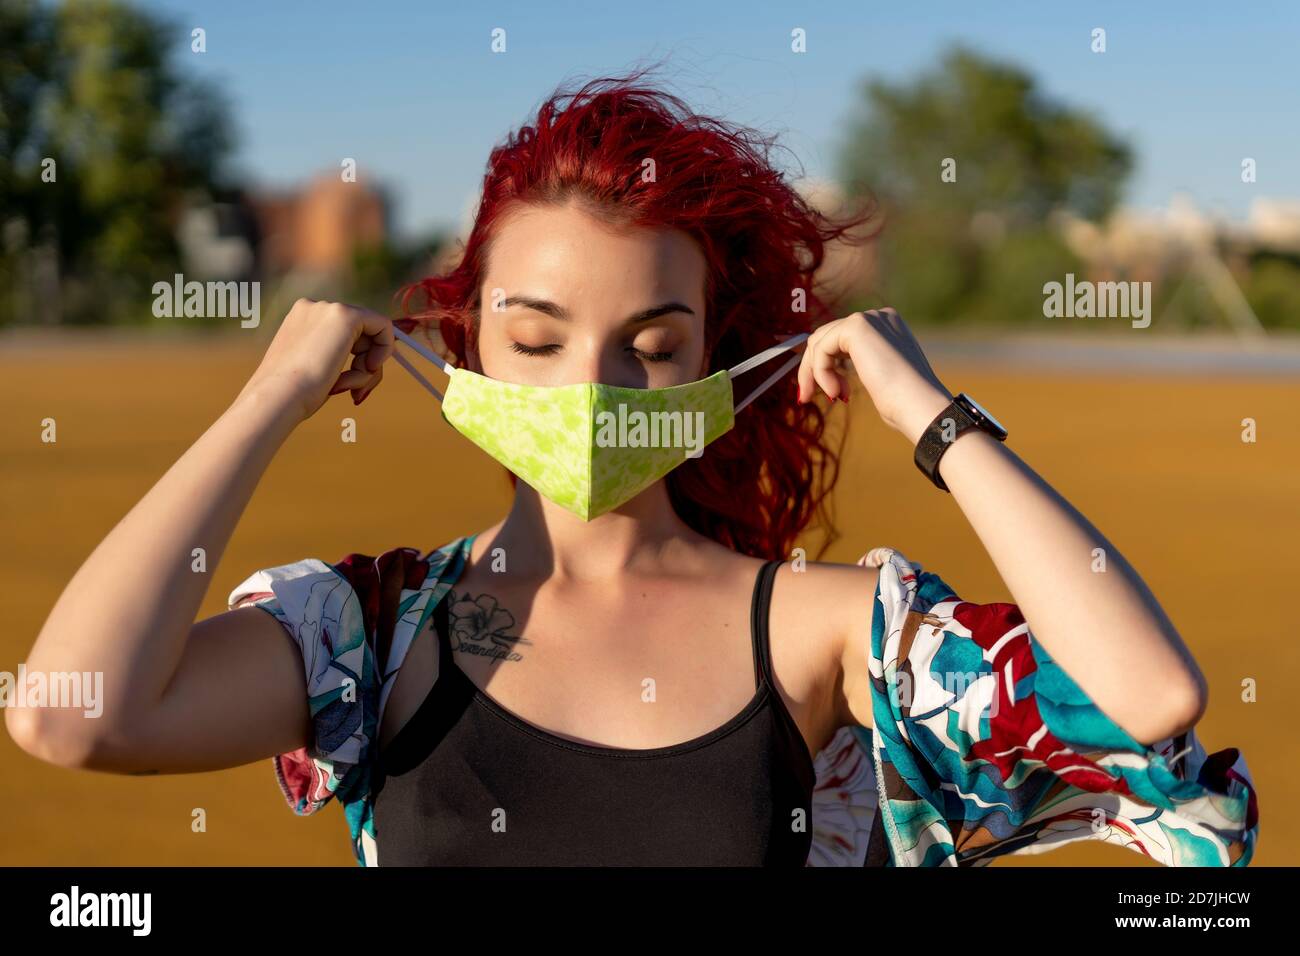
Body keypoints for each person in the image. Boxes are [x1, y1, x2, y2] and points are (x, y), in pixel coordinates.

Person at [6, 73, 1257, 867]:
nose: (589, 394)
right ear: (465, 347)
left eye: (651, 347)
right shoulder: (368, 634)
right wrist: (266, 401)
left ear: (720, 363)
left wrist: (927, 412)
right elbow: (70, 710)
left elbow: (1145, 697)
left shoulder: (817, 630)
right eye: (538, 338)